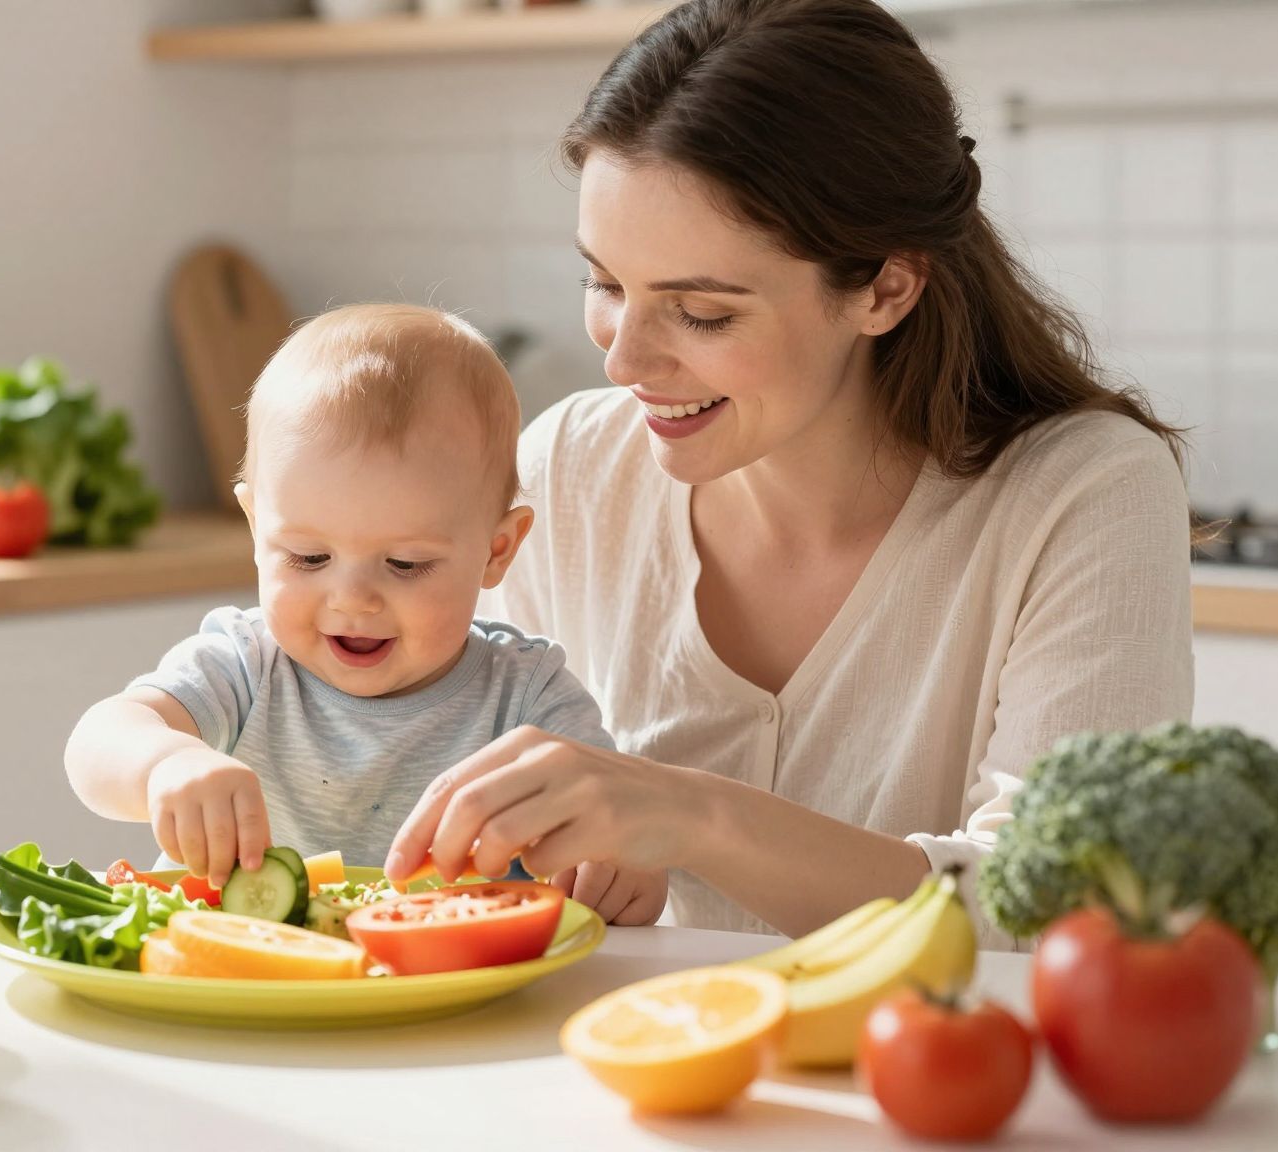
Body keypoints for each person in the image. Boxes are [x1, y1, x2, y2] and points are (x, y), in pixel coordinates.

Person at [385, 0, 1193, 946]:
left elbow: (1061, 913)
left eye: (702, 313)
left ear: (886, 287)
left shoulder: (1082, 495)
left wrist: (688, 815)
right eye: (606, 285)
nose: (625, 360)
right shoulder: (565, 472)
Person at [64, 303, 669, 924]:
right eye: (307, 556)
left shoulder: (528, 700)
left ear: (497, 550)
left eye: (405, 564)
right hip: (247, 983)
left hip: (451, 999)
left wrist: (624, 870)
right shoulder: (244, 666)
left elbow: (616, 833)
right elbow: (96, 745)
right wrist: (166, 762)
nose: (352, 599)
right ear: (255, 528)